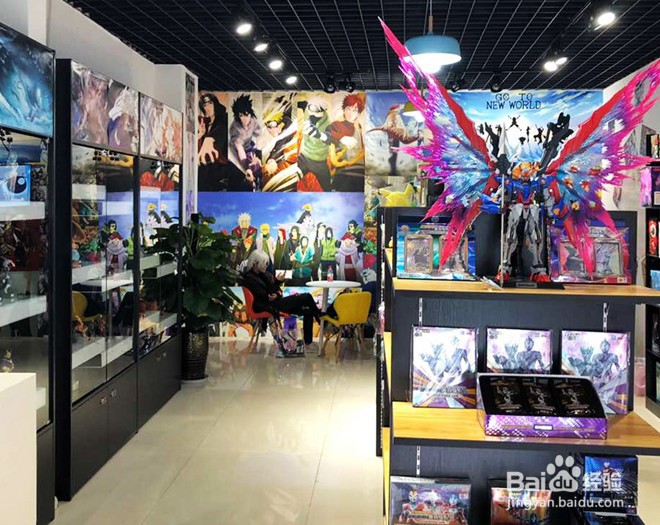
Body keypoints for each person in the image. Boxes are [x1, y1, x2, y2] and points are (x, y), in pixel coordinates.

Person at [241, 251, 323, 348]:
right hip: (266, 306)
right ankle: (321, 320)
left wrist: (276, 294)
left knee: (308, 310)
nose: (266, 266)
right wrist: (277, 283)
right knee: (307, 296)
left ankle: (308, 342)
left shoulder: (264, 275)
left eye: (267, 263)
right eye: (264, 263)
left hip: (274, 303)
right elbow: (265, 295)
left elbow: (276, 292)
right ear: (255, 263)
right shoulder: (249, 278)